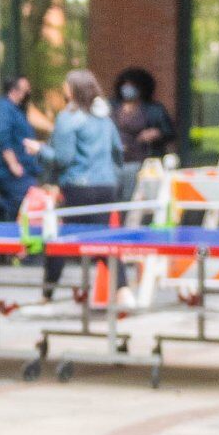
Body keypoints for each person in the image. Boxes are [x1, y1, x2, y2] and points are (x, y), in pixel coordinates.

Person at [40, 68, 124, 301]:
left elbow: (62, 159)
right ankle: (124, 290)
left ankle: (47, 293)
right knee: (103, 240)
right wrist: (110, 174)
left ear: (73, 89)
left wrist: (40, 150)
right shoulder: (104, 117)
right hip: (106, 186)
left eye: (66, 84)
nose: (63, 88)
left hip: (78, 187)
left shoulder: (68, 118)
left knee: (59, 239)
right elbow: (118, 150)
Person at [113, 66, 175, 198]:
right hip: (117, 162)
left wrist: (156, 133)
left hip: (142, 161)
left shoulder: (154, 109)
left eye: (132, 85)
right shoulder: (113, 107)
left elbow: (170, 132)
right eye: (125, 84)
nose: (127, 88)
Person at [0, 75, 41, 222]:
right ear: (14, 90)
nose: (27, 93)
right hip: (11, 173)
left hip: (23, 169)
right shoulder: (4, 110)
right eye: (25, 89)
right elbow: (1, 137)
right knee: (19, 203)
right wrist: (13, 164)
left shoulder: (16, 110)